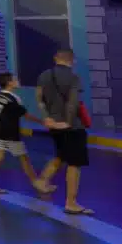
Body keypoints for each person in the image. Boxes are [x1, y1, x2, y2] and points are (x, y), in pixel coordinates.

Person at [36, 50, 92, 214]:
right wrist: (66, 122)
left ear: (56, 59)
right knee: (74, 163)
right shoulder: (74, 78)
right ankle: (71, 202)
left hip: (53, 125)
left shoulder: (44, 75)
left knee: (61, 155)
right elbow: (72, 103)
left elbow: (39, 99)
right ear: (72, 61)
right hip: (71, 126)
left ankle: (43, 181)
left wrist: (47, 118)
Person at [0, 73, 49, 195]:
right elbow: (26, 115)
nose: (17, 81)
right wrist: (42, 122)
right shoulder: (13, 99)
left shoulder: (0, 96)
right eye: (15, 79)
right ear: (9, 83)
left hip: (0, 131)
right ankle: (37, 184)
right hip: (10, 133)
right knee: (24, 158)